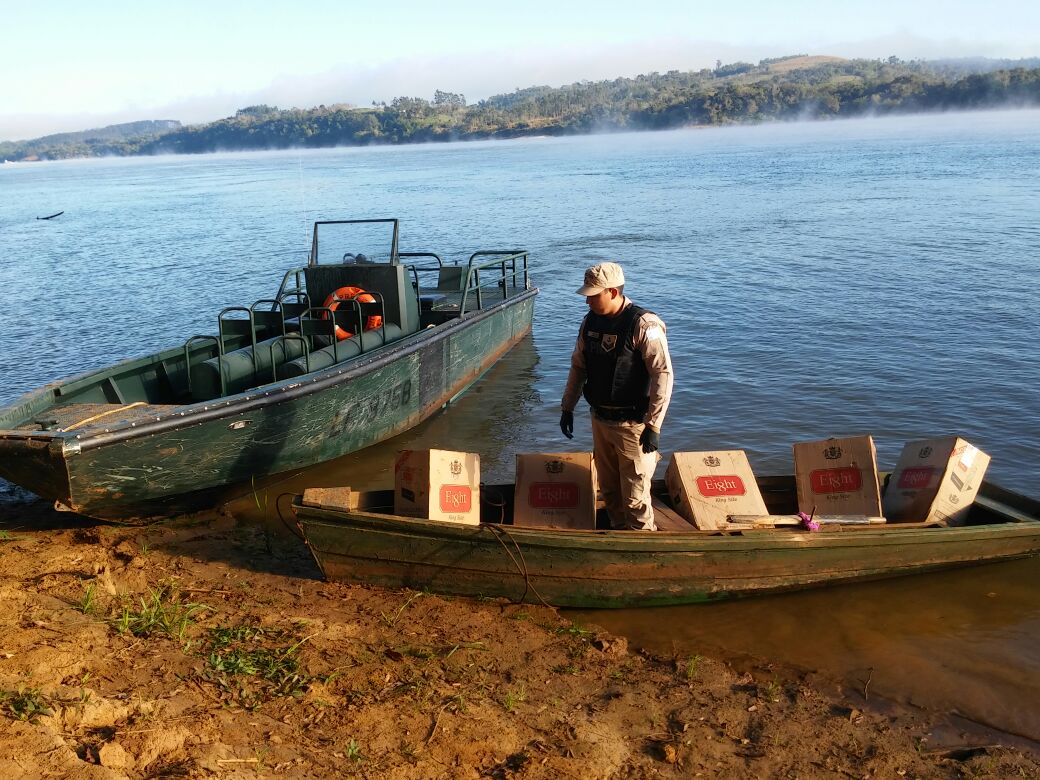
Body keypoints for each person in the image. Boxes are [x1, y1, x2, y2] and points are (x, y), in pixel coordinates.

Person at [560, 262, 673, 531]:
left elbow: (662, 374)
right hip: (600, 419)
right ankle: (618, 535)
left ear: (612, 292)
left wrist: (654, 425)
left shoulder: (644, 324)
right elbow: (578, 367)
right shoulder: (590, 321)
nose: (587, 301)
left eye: (593, 295)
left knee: (635, 496)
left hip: (632, 425)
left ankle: (642, 542)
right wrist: (567, 407)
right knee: (610, 491)